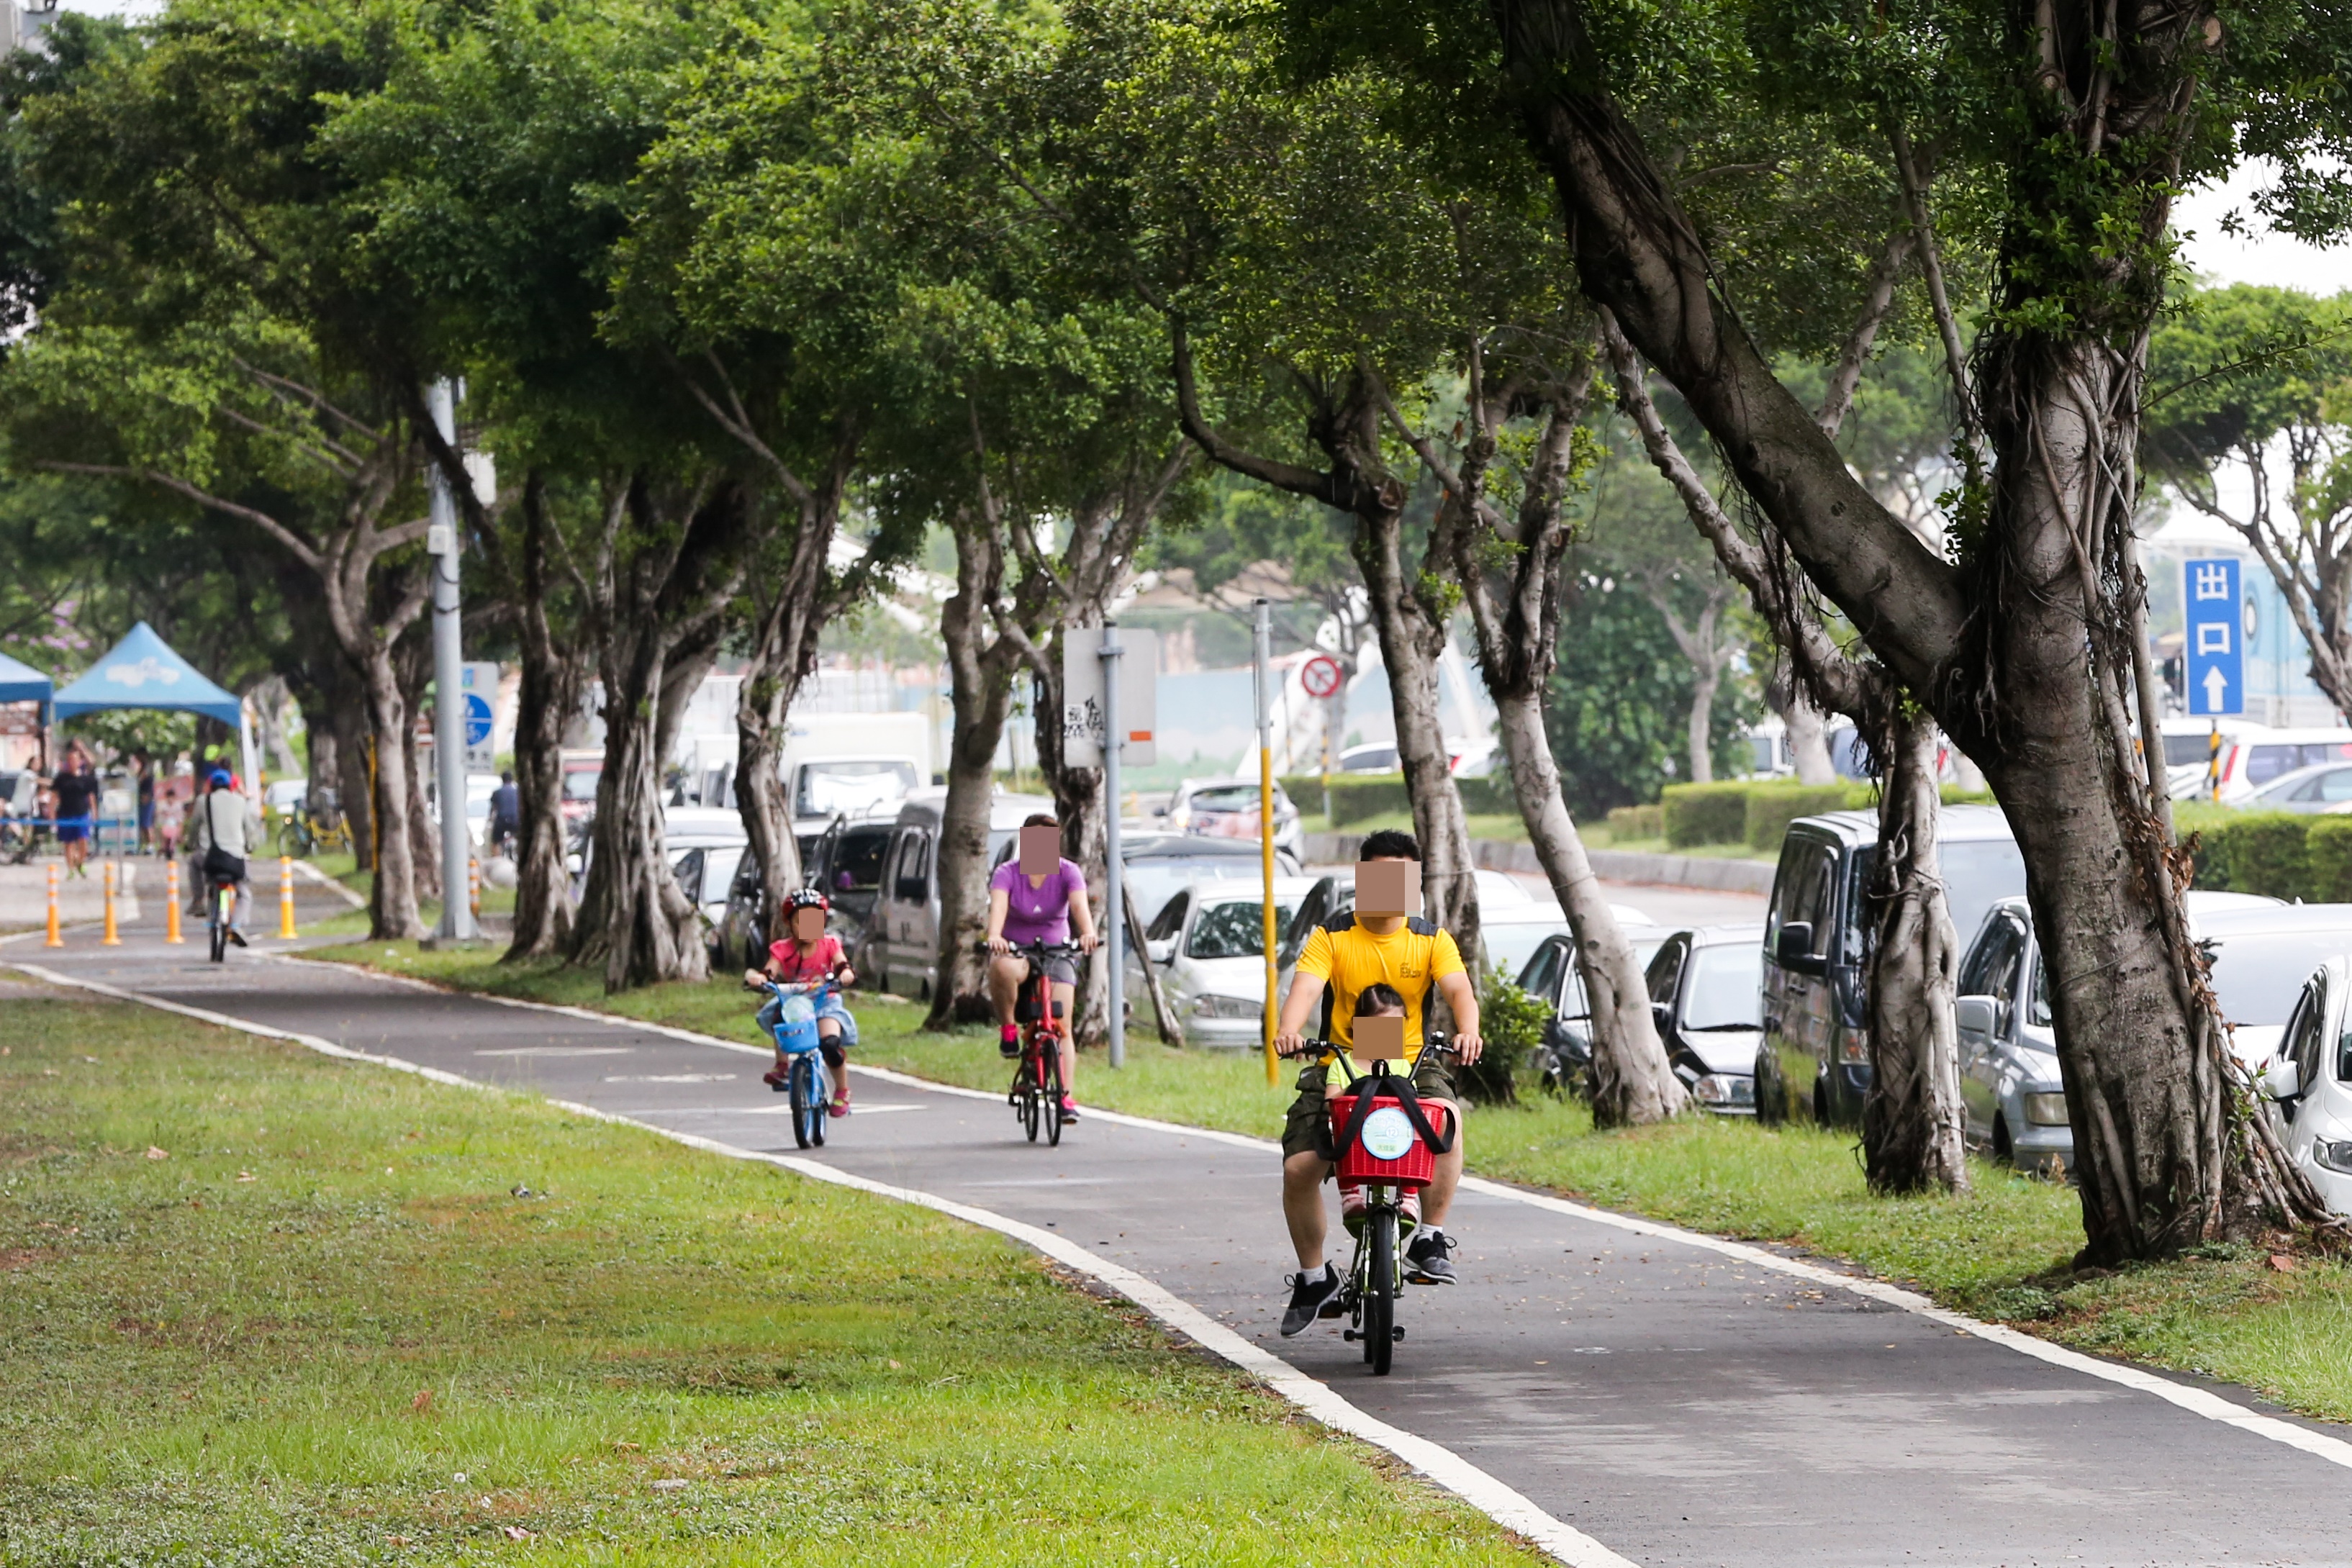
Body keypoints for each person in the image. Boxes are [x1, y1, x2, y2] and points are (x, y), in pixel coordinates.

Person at [1270, 828, 1483, 1336]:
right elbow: (1305, 990)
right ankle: (1314, 1278)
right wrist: (1289, 1030)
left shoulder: (1429, 938)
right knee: (1299, 1167)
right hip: (1343, 1059)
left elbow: (1459, 990)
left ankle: (1429, 1237)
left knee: (1447, 1121)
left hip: (1411, 1059)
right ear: (1362, 878)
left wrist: (1468, 1031)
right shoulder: (1333, 936)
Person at [984, 813, 1101, 1123]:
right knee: (1002, 969)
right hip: (1018, 950)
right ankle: (1009, 1028)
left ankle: (1065, 1097)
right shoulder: (1007, 873)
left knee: (1062, 1024)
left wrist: (1087, 933)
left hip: (1056, 951)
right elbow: (999, 905)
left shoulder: (1068, 872)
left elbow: (1079, 905)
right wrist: (995, 936)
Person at [745, 887, 859, 1116]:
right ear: (789, 923)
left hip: (825, 1002)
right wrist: (761, 978)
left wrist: (845, 974)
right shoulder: (782, 949)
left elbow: (841, 964)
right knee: (780, 1018)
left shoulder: (829, 944)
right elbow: (770, 970)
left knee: (830, 1045)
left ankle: (842, 1090)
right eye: (801, 922)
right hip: (795, 1003)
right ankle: (782, 1065)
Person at [185, 769, 261, 944]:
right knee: (243, 893)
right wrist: (250, 847)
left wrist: (190, 844)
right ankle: (235, 925)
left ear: (211, 786)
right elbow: (249, 830)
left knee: (194, 863)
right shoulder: (240, 801)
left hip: (209, 857)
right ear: (230, 786)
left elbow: (194, 827)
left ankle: (198, 900)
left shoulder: (203, 801)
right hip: (235, 858)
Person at [50, 746, 99, 879]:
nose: (72, 762)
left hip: (82, 814)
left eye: (75, 759)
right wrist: (52, 814)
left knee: (83, 840)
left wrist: (94, 812)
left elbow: (91, 797)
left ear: (80, 762)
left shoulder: (85, 778)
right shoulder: (61, 778)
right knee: (68, 843)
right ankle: (71, 868)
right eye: (70, 760)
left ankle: (81, 862)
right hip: (65, 814)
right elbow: (54, 797)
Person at [488, 771, 520, 859]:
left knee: (495, 841)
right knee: (521, 837)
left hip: (501, 820)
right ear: (512, 780)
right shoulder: (517, 792)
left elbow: (493, 808)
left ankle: (496, 858)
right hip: (515, 820)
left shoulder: (497, 792)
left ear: (502, 780)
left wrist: (490, 819)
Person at [132, 751, 155, 855]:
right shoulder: (142, 768)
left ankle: (151, 845)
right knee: (142, 823)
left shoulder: (148, 768)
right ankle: (145, 844)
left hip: (147, 798)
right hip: (142, 798)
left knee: (147, 823)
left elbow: (141, 779)